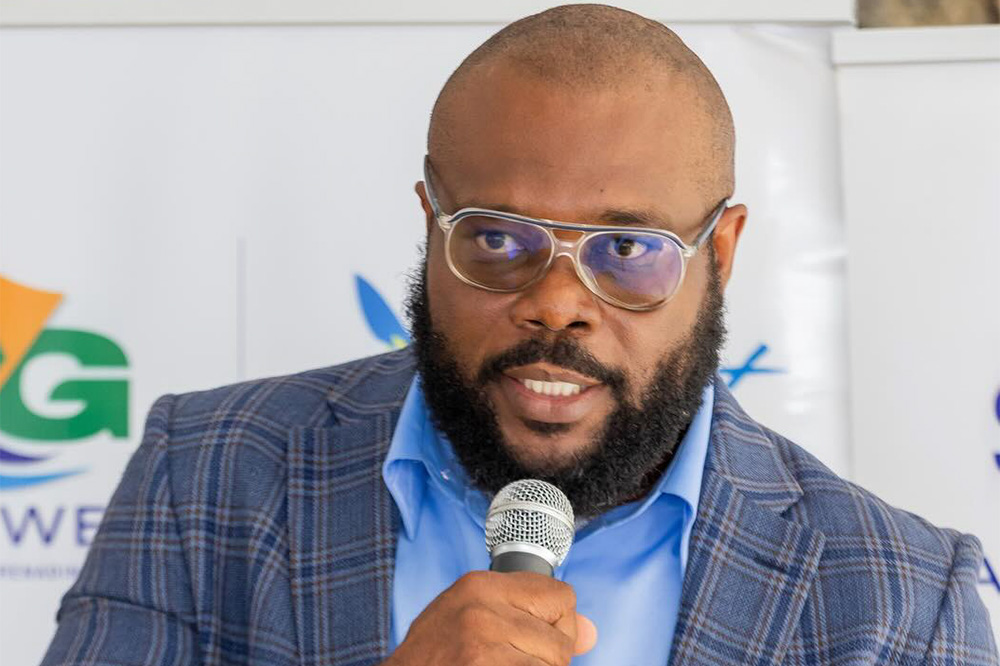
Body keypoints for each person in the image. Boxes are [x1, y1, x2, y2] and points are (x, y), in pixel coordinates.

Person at [42, 5, 997, 666]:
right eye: (499, 239)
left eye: (627, 249)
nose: (556, 304)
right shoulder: (207, 473)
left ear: (721, 253)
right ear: (430, 226)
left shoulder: (904, 601)